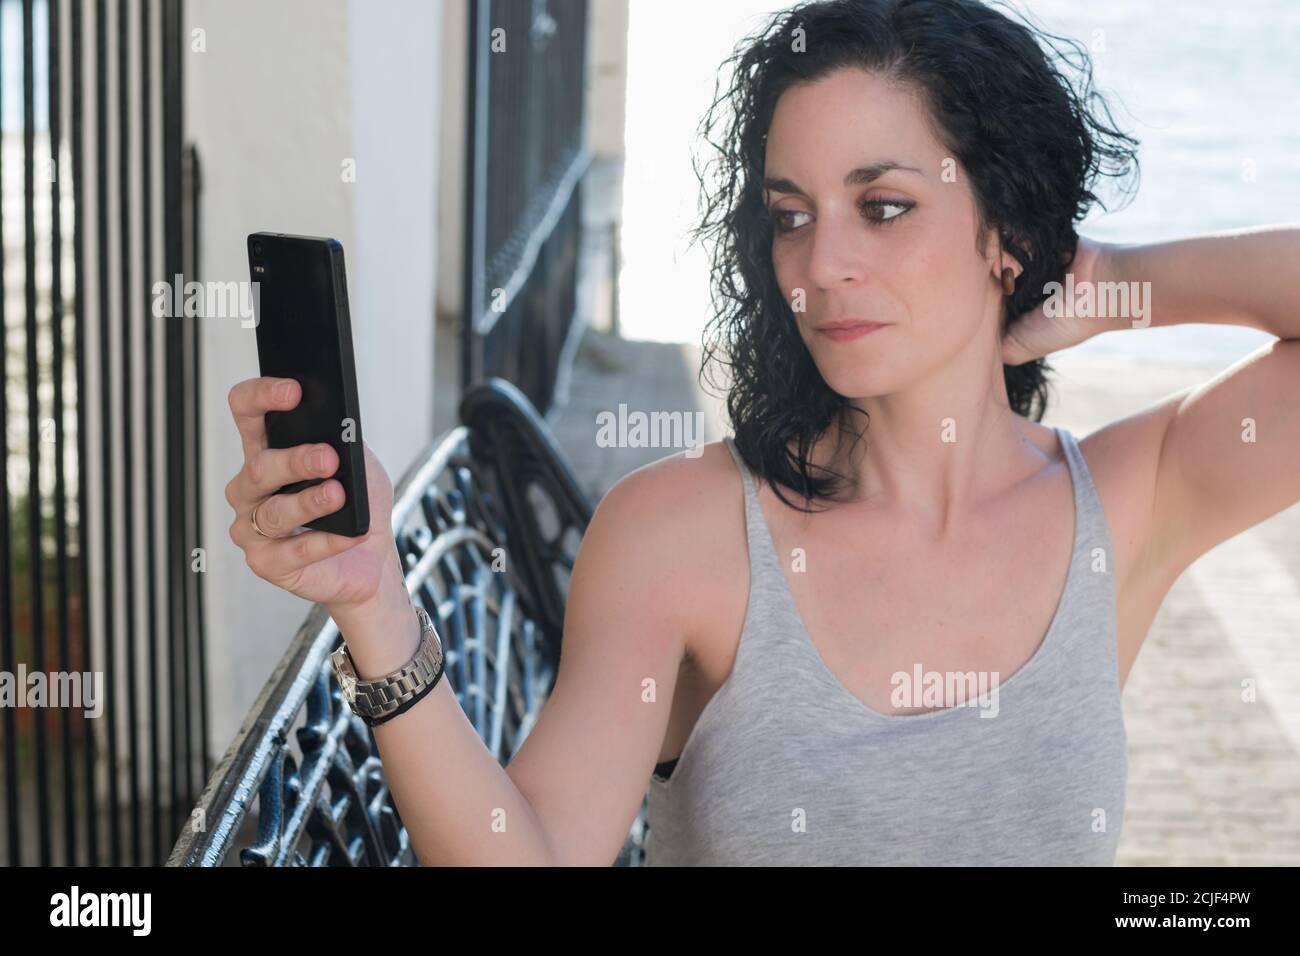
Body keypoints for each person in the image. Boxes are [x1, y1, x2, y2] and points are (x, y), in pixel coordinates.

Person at [222, 0, 1300, 865]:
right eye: (791, 214)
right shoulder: (680, 533)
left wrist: (1111, 279)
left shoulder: (1128, 501)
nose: (818, 264)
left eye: (881, 206)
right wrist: (375, 606)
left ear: (1004, 230)